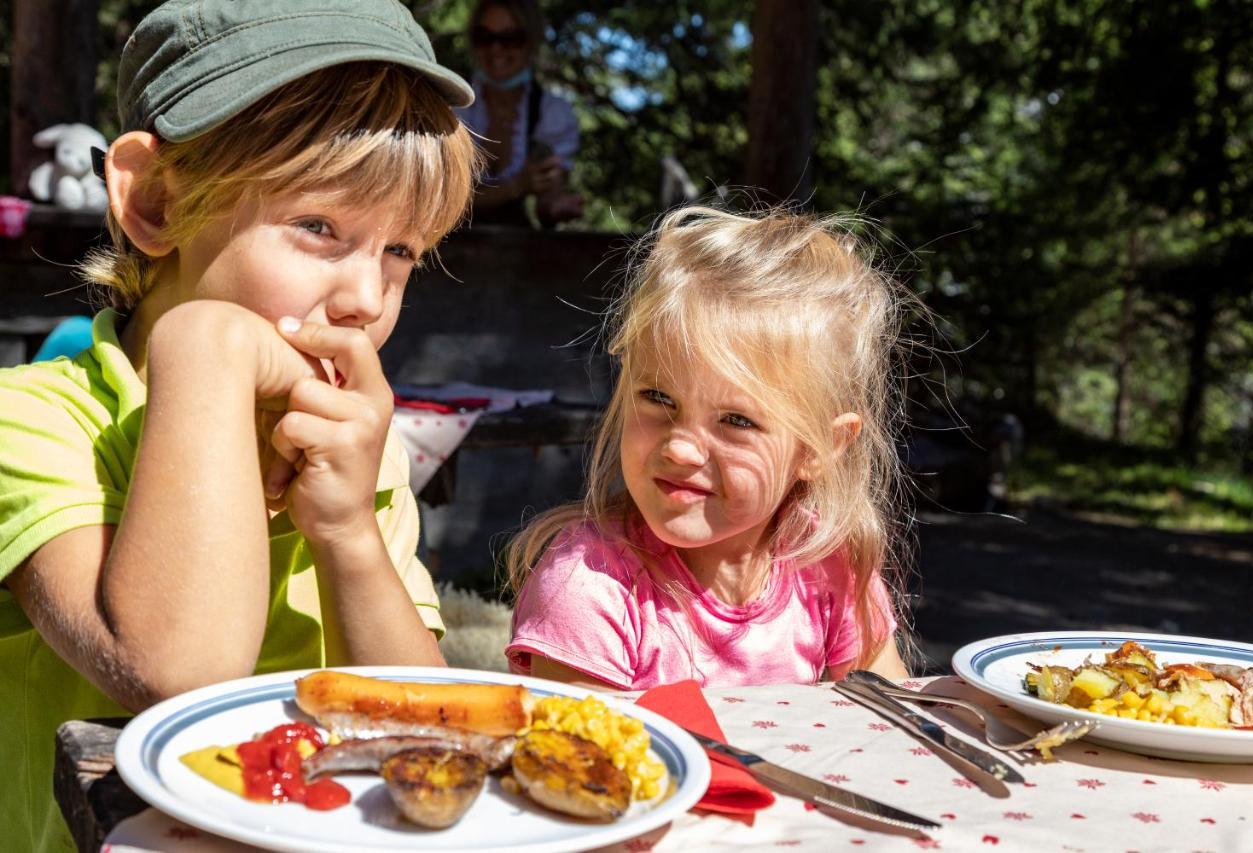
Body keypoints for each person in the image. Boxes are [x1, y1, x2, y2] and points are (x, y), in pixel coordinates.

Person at [0, 2, 480, 849]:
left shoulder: (352, 450)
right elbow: (179, 673)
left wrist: (346, 530)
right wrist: (207, 346)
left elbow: (422, 736)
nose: (368, 299)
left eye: (400, 250)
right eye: (319, 227)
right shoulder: (33, 422)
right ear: (153, 202)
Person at [504, 206, 917, 690]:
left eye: (736, 421)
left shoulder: (827, 562)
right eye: (659, 398)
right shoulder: (589, 585)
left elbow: (892, 719)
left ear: (818, 449)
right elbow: (582, 761)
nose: (680, 449)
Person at [457, 0, 583, 227]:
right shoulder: (451, 104)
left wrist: (557, 207)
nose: (496, 49)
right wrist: (515, 186)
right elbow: (437, 198)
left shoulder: (550, 112)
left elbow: (548, 202)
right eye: (485, 37)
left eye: (510, 39)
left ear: (531, 43)